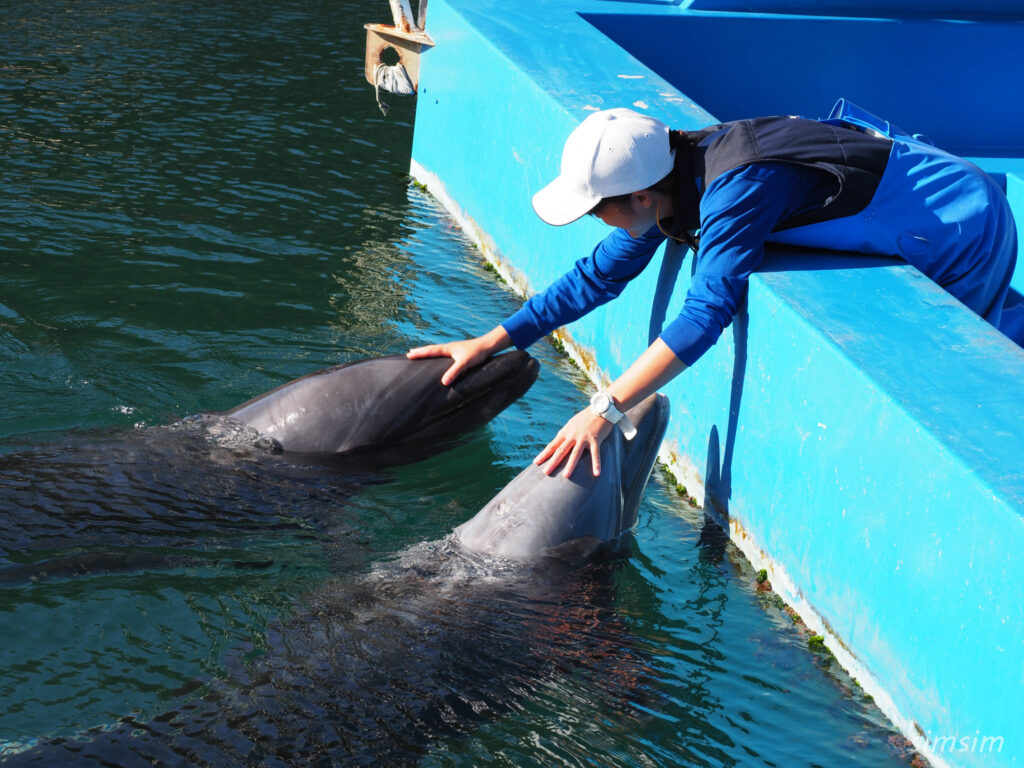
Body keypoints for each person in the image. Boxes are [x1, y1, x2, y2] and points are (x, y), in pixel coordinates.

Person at [407, 105, 1021, 478]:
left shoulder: (733, 189)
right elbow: (600, 275)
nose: (600, 221)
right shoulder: (669, 173)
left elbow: (706, 313)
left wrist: (605, 409)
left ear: (640, 198)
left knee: (979, 354)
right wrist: (490, 341)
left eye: (598, 211)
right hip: (908, 202)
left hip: (957, 222)